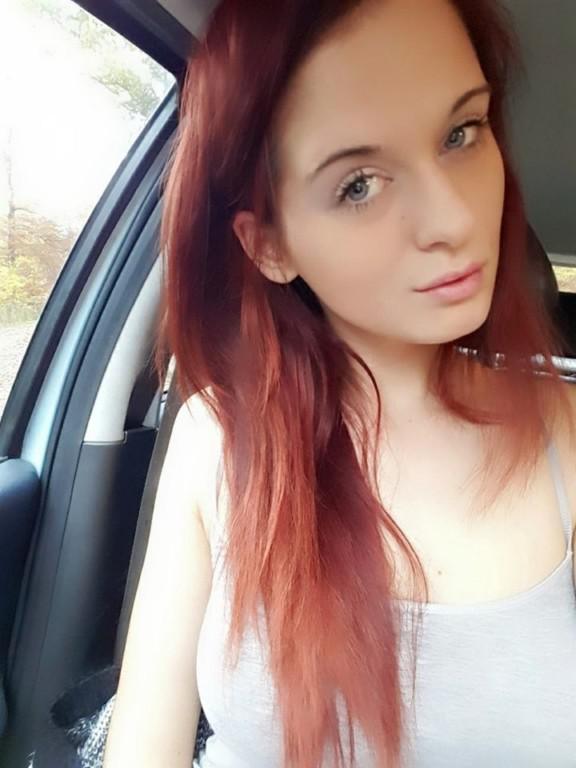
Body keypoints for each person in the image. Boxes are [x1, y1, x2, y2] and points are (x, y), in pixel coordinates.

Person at [97, 0, 576, 766]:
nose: (453, 218)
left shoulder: (567, 436)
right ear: (270, 246)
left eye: (461, 133)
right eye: (358, 185)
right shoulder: (219, 439)